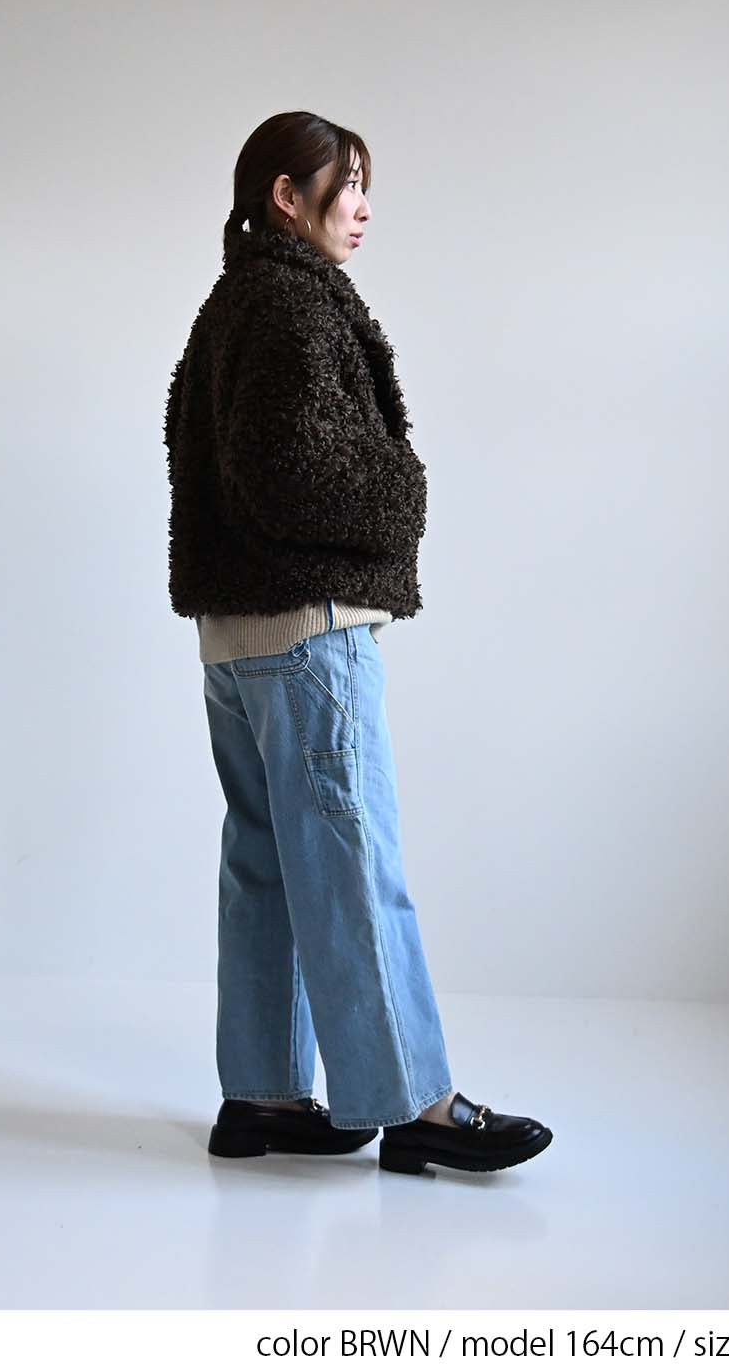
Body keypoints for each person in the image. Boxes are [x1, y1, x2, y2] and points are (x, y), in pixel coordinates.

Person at [163, 110, 553, 1176]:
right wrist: (403, 488)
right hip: (306, 634)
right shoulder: (293, 304)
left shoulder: (230, 305)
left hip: (235, 639)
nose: (365, 207)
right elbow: (294, 474)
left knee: (265, 866)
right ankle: (415, 1104)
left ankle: (261, 1097)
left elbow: (212, 467)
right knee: (352, 863)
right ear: (287, 196)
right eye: (349, 186)